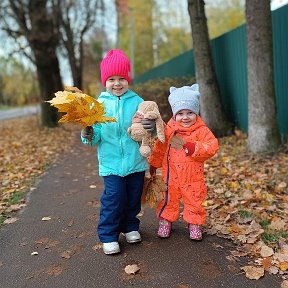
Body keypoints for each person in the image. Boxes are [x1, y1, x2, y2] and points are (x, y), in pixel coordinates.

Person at [81, 49, 155, 255]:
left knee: (133, 197)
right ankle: (108, 234)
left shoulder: (137, 101)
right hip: (111, 163)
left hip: (135, 161)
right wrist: (88, 132)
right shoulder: (99, 105)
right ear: (104, 81)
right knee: (113, 198)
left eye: (122, 78)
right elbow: (94, 136)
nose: (117, 83)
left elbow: (150, 127)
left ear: (128, 79)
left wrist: (150, 127)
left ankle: (130, 226)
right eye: (111, 79)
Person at [148, 84, 219, 240]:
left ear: (196, 113)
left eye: (190, 113)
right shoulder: (168, 130)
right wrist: (153, 164)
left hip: (193, 176)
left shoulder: (201, 130)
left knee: (194, 200)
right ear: (174, 114)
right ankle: (165, 221)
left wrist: (195, 148)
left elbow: (212, 146)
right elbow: (159, 147)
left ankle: (194, 224)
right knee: (168, 198)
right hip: (170, 175)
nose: (185, 117)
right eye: (180, 113)